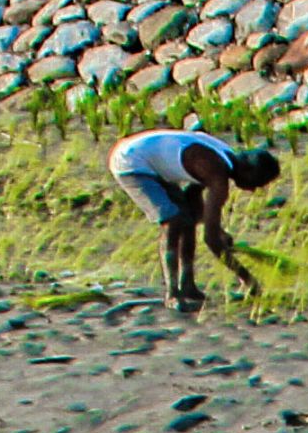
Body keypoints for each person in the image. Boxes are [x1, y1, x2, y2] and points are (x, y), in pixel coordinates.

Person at [106, 125, 280, 312]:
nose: (254, 189)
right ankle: (172, 293)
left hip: (146, 155)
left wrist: (217, 230)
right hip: (129, 162)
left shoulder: (225, 156)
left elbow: (192, 198)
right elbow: (211, 241)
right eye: (257, 182)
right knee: (172, 221)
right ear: (248, 171)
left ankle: (187, 285)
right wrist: (248, 279)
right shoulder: (216, 173)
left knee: (187, 219)